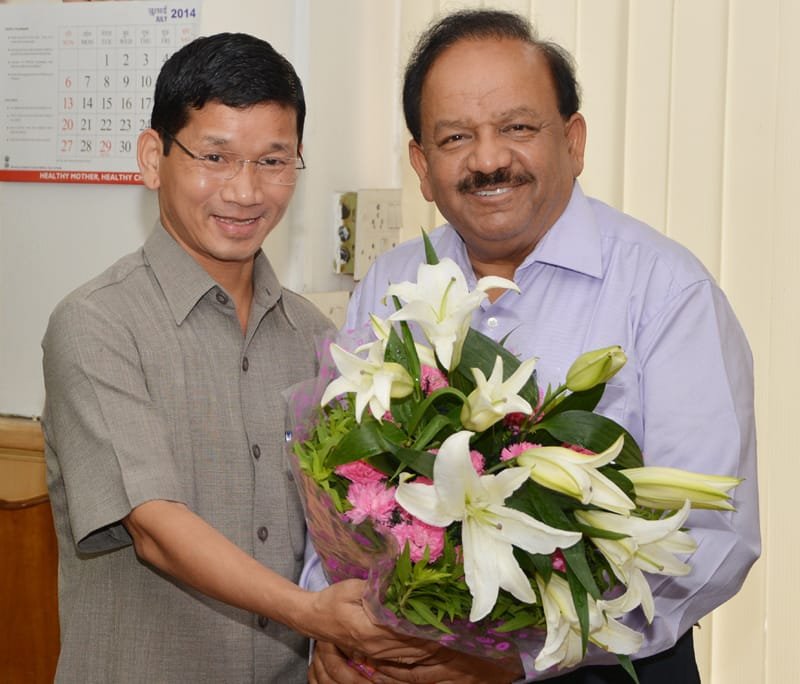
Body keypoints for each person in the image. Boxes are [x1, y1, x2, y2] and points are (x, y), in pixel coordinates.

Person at [310, 8, 760, 684]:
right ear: (422, 166)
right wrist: (330, 626)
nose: (488, 159)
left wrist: (513, 661)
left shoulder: (666, 292)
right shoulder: (393, 282)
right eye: (456, 137)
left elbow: (711, 542)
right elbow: (342, 485)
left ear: (574, 141)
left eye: (518, 128)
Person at [41, 32, 430, 683]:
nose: (246, 191)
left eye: (273, 161)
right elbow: (156, 528)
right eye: (215, 157)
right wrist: (314, 616)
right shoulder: (95, 325)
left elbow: (345, 525)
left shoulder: (316, 338)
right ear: (152, 158)